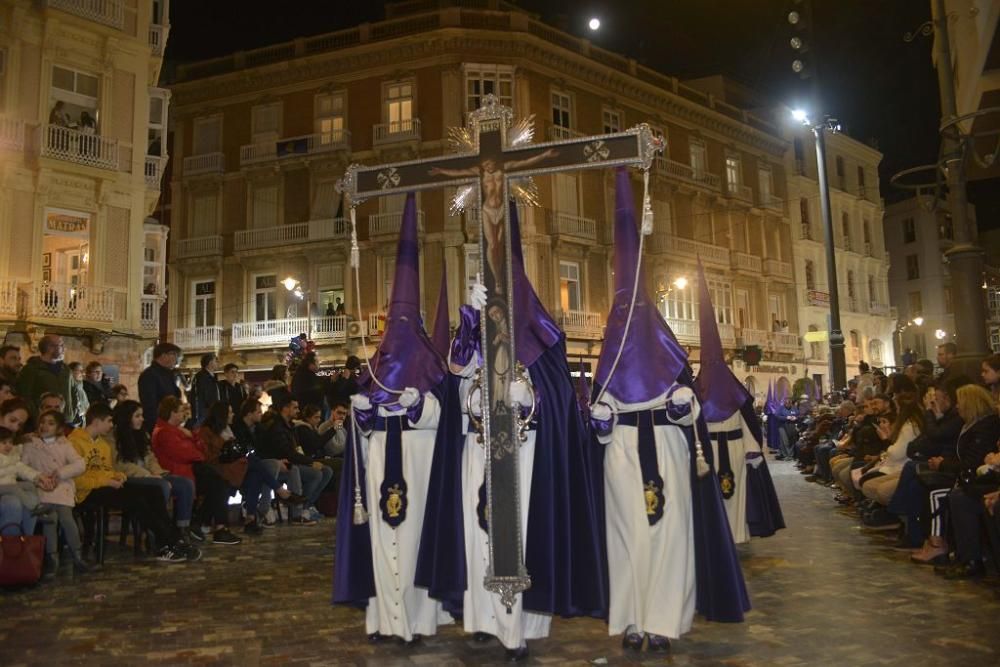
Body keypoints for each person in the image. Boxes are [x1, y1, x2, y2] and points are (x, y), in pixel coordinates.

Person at [589, 169, 748, 653]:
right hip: (621, 453)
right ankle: (632, 618)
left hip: (665, 448)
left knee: (670, 535)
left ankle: (663, 620)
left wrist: (683, 407)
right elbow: (597, 419)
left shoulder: (670, 361)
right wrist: (599, 422)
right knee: (628, 535)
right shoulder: (607, 360)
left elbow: (693, 411)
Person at [335, 192, 454, 647]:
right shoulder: (376, 363)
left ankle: (419, 621)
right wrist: (361, 415)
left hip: (420, 461)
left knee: (417, 537)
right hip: (382, 457)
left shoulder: (429, 361)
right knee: (383, 540)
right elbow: (360, 428)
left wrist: (420, 406)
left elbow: (443, 415)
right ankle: (385, 619)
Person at [693, 262, 784, 544]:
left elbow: (745, 422)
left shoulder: (700, 388)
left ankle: (732, 534)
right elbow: (746, 422)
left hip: (723, 449)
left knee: (732, 491)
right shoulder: (712, 389)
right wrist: (751, 448)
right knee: (722, 493)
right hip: (719, 449)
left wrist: (752, 449)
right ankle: (726, 536)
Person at [71, 402, 198, 564]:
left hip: (107, 484)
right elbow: (78, 478)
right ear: (97, 421)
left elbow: (109, 468)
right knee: (139, 499)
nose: (112, 425)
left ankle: (173, 541)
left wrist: (117, 476)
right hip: (88, 491)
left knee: (154, 492)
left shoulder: (101, 444)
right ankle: (167, 542)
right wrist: (110, 479)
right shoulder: (75, 442)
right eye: (109, 421)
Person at [152, 396, 241, 546]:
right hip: (180, 472)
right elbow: (186, 453)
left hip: (189, 469)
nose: (184, 415)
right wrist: (196, 448)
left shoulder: (176, 431)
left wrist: (194, 445)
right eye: (181, 411)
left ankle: (203, 523)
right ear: (172, 413)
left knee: (220, 484)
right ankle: (208, 525)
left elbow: (198, 449)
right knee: (219, 484)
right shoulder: (164, 432)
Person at [112, 400, 195, 536]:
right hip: (130, 477)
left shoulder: (142, 434)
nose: (142, 419)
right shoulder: (115, 437)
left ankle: (182, 528)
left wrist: (157, 472)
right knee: (161, 486)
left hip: (150, 474)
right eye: (137, 416)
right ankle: (161, 532)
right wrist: (148, 475)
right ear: (127, 417)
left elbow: (150, 458)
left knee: (185, 483)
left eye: (142, 415)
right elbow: (120, 464)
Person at [21, 410, 88, 576]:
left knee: (66, 517)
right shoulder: (31, 445)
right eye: (42, 422)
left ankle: (77, 554)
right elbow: (23, 466)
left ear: (59, 428)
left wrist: (60, 473)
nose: (45, 426)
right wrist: (38, 478)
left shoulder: (64, 445)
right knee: (50, 520)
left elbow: (80, 464)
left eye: (50, 423)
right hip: (42, 488)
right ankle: (52, 558)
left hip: (61, 486)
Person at [256, 389, 329, 524]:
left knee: (327, 470)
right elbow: (289, 452)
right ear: (285, 408)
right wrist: (310, 462)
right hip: (284, 463)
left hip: (295, 460)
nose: (298, 410)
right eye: (295, 407)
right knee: (317, 474)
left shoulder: (290, 426)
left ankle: (305, 507)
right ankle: (298, 509)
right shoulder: (279, 427)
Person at [15, 334, 72, 419]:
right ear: (49, 347)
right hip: (41, 419)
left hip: (65, 419)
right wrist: (36, 415)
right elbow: (25, 396)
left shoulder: (66, 369)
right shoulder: (32, 368)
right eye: (61, 345)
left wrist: (71, 413)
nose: (64, 348)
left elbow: (73, 392)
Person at [0, 426, 49, 518]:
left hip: (9, 484)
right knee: (14, 488)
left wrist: (38, 476)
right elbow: (15, 468)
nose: (8, 446)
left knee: (29, 485)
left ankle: (38, 504)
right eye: (4, 443)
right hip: (3, 486)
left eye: (10, 442)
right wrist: (12, 469)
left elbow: (22, 468)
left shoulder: (11, 456)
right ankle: (34, 507)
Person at [138, 342, 181, 432]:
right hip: (159, 427)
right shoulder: (149, 375)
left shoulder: (168, 374)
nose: (176, 359)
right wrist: (158, 428)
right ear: (163, 355)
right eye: (174, 354)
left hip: (170, 424)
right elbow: (149, 406)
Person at [190, 353, 221, 427]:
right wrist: (213, 409)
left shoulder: (209, 376)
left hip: (208, 411)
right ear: (210, 363)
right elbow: (206, 395)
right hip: (205, 413)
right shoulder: (202, 376)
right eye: (215, 361)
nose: (217, 363)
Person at [67, 361, 89, 427]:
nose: (83, 373)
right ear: (71, 372)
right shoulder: (68, 388)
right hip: (73, 424)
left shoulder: (81, 387)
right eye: (80, 371)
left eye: (83, 371)